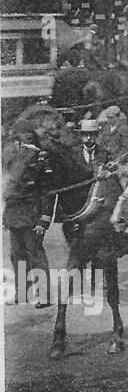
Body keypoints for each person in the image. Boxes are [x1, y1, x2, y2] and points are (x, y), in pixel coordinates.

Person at [2, 120, 54, 305]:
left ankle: (45, 295)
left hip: (32, 214)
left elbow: (47, 191)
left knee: (36, 255)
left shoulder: (41, 157)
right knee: (16, 255)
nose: (19, 140)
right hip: (14, 214)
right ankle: (22, 292)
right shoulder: (13, 156)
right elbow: (10, 188)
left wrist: (44, 219)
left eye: (20, 135)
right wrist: (5, 217)